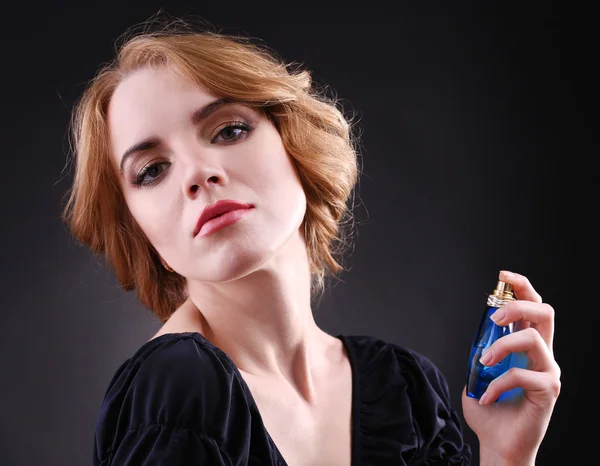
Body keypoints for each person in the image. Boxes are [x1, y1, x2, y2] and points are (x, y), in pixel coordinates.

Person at [62, 15, 561, 466]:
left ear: (294, 142)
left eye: (229, 130)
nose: (197, 173)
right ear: (137, 231)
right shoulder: (175, 391)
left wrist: (504, 456)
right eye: (152, 171)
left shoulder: (405, 386)